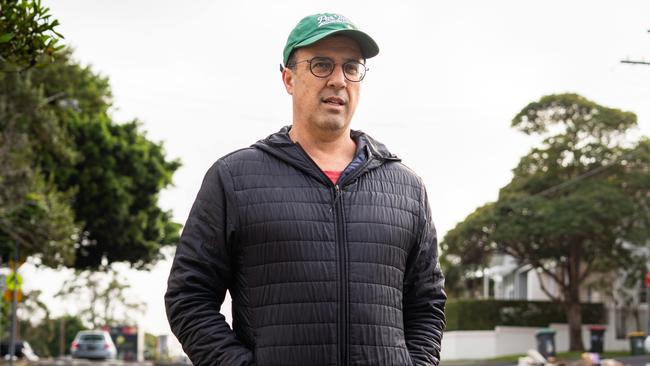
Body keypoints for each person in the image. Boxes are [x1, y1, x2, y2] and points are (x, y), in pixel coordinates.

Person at [165, 12, 446, 366]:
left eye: (351, 67)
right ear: (288, 78)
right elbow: (188, 297)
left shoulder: (406, 188)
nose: (338, 80)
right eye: (321, 65)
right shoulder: (233, 178)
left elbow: (427, 303)